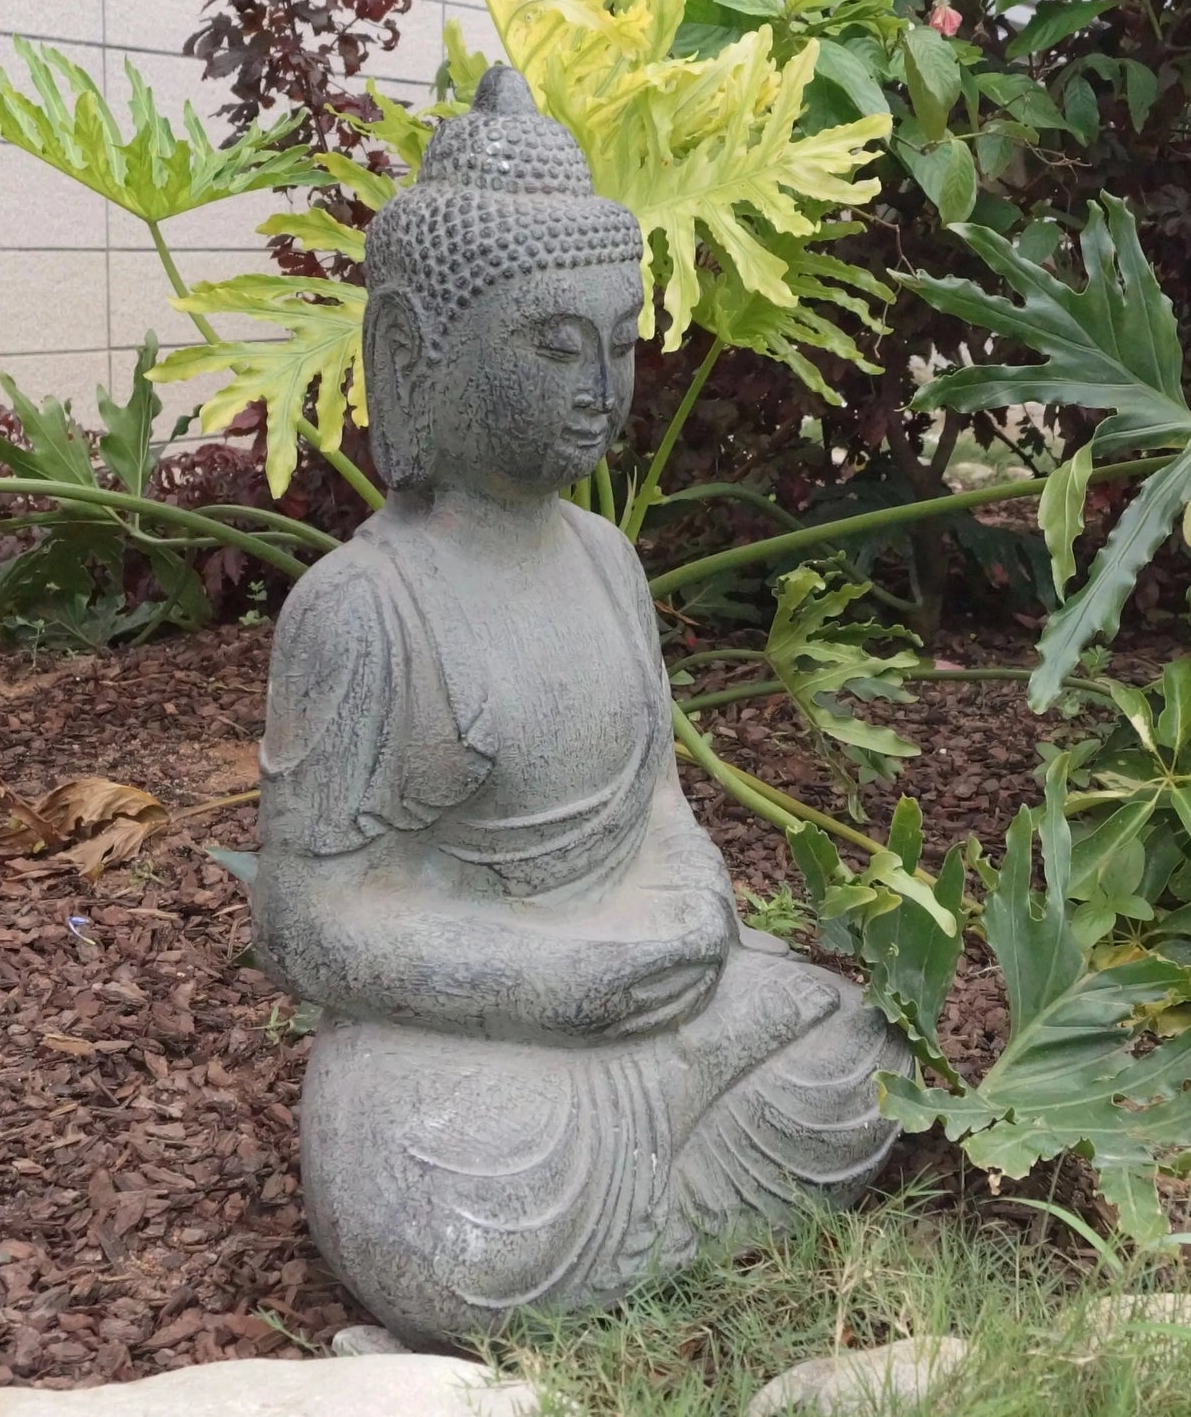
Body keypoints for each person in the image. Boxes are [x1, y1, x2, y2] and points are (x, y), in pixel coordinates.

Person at [252, 66, 910, 1347]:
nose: (600, 389)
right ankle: (642, 1203)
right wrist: (547, 986)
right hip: (474, 1047)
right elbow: (305, 922)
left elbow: (654, 799)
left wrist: (694, 901)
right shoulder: (361, 605)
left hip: (646, 990)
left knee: (852, 1044)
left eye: (617, 344)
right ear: (415, 348)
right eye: (552, 345)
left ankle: (645, 1192)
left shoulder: (607, 562)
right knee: (461, 1214)